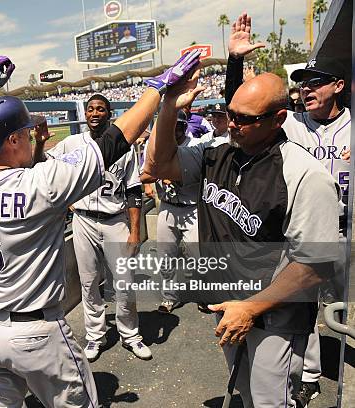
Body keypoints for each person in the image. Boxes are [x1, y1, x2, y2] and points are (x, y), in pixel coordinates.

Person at [0, 52, 200, 407]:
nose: (32, 138)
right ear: (12, 141)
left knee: (2, 400)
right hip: (36, 333)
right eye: (26, 133)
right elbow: (116, 140)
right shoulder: (38, 185)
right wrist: (159, 88)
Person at [145, 65, 340, 407]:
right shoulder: (217, 156)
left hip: (274, 316)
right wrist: (169, 105)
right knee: (248, 394)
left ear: (279, 118)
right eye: (230, 114)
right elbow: (158, 165)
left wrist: (250, 309)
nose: (233, 123)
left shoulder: (304, 173)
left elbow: (314, 263)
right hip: (229, 306)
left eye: (245, 119)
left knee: (272, 402)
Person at [225, 13, 350, 407]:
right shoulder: (292, 124)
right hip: (306, 230)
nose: (306, 89)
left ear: (339, 86)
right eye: (302, 84)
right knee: (301, 304)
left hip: (347, 231)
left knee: (346, 312)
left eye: (316, 82)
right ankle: (308, 376)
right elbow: (245, 115)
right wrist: (235, 64)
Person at [36, 93, 151, 363]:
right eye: (90, 109)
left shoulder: (124, 146)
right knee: (88, 283)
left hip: (115, 220)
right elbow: (42, 166)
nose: (95, 113)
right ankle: (95, 336)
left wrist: (135, 231)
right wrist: (40, 143)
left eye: (100, 109)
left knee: (124, 282)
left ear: (109, 114)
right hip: (84, 220)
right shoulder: (72, 143)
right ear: (85, 114)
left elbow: (134, 190)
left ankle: (130, 334)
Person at [140, 110, 206, 313]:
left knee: (198, 256)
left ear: (185, 126)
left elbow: (203, 177)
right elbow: (144, 174)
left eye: (179, 126)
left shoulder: (196, 145)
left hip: (192, 207)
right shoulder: (156, 145)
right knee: (165, 256)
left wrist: (177, 175)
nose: (175, 129)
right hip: (168, 206)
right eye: (171, 125)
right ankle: (170, 297)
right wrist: (158, 176)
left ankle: (204, 294)